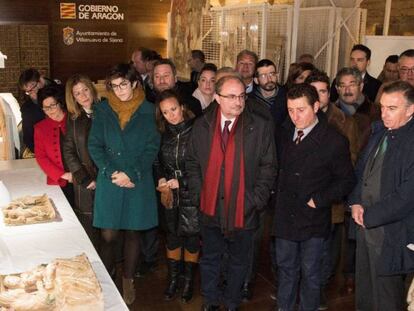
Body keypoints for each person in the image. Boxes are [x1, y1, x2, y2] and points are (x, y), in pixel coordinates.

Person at [186, 75, 276, 310]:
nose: (238, 101)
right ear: (217, 98)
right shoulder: (202, 125)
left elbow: (269, 167)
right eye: (232, 96)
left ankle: (233, 301)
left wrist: (255, 200)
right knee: (210, 259)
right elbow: (193, 163)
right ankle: (210, 300)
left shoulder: (260, 126)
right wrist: (199, 195)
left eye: (242, 96)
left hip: (243, 209)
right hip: (210, 207)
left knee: (239, 262)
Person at [273, 83, 355, 311]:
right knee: (286, 270)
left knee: (311, 273)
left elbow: (347, 181)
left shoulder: (334, 140)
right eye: (290, 110)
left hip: (313, 217)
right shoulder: (284, 131)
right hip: (285, 216)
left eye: (301, 109)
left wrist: (318, 199)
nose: (295, 116)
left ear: (316, 106)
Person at [88, 63, 160, 305]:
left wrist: (131, 174)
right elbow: (94, 145)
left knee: (132, 233)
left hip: (137, 180)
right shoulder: (102, 109)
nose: (119, 90)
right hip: (110, 179)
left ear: (135, 83)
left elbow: (152, 147)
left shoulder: (150, 110)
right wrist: (112, 172)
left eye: (124, 85)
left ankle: (128, 281)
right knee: (108, 235)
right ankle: (107, 279)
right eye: (114, 86)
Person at [349, 81, 414, 311]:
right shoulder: (379, 131)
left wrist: (369, 216)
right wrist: (355, 202)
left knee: (386, 298)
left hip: (391, 233)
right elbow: (361, 171)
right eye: (383, 107)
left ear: (410, 109)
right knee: (365, 292)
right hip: (365, 226)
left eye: (392, 108)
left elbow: (407, 197)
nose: (384, 114)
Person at [306, 70, 359, 309]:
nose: (319, 96)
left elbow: (352, 160)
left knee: (326, 250)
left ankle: (318, 291)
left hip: (331, 199)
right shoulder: (295, 118)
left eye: (323, 91)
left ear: (330, 93)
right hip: (303, 199)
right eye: (314, 91)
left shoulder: (345, 122)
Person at [153, 90, 199, 303]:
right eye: (165, 112)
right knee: (172, 236)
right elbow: (157, 163)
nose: (171, 115)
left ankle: (188, 281)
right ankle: (173, 279)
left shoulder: (198, 130)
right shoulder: (163, 134)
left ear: (182, 107)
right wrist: (162, 179)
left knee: (191, 238)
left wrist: (183, 182)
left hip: (192, 192)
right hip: (169, 193)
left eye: (173, 109)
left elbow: (206, 167)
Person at [63, 74, 100, 250]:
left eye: (85, 90)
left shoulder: (106, 110)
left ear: (91, 89)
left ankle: (111, 270)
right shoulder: (73, 119)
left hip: (108, 178)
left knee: (109, 231)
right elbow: (69, 151)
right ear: (73, 98)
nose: (83, 95)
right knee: (89, 230)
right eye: (78, 93)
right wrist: (84, 178)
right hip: (85, 180)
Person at [34, 85, 74, 206]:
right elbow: (41, 157)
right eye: (45, 108)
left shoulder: (75, 120)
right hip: (58, 179)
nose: (50, 110)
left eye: (52, 105)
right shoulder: (40, 128)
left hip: (82, 177)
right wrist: (63, 175)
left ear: (60, 103)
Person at [18, 68, 57, 156]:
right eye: (28, 91)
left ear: (41, 80)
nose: (32, 92)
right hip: (45, 150)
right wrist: (43, 153)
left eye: (33, 87)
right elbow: (28, 138)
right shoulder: (28, 109)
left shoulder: (59, 92)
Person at [250, 58, 287, 126]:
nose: (269, 79)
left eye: (272, 74)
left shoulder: (287, 97)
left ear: (277, 76)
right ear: (256, 80)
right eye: (263, 76)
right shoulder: (249, 101)